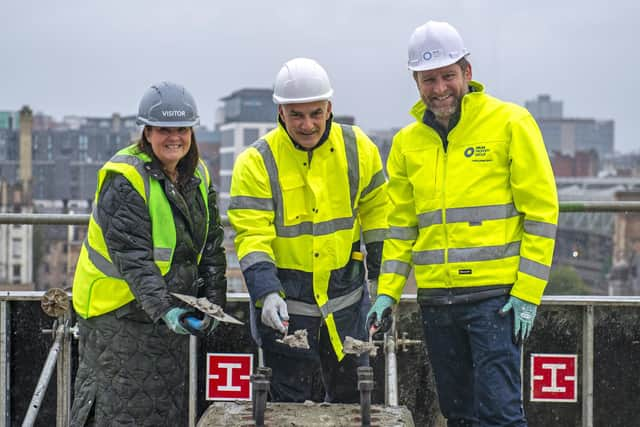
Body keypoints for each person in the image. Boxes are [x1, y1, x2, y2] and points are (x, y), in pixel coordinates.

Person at [367, 21, 559, 426]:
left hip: (495, 301)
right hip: (437, 300)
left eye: (448, 76)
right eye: (428, 79)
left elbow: (541, 213)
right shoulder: (406, 144)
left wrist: (528, 291)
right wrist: (387, 294)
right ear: (416, 81)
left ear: (467, 73)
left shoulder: (511, 123)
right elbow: (401, 228)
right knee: (458, 415)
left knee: (501, 414)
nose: (439, 89)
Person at [228, 57, 388, 403]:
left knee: (352, 406)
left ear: (329, 107)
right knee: (288, 409)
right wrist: (266, 292)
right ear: (281, 112)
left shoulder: (358, 148)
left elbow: (378, 217)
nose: (308, 124)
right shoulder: (256, 162)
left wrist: (381, 281)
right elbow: (252, 235)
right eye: (297, 114)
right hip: (287, 310)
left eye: (316, 113)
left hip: (345, 308)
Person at [70, 81, 227, 426]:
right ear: (147, 132)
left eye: (182, 129)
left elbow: (211, 244)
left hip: (160, 314)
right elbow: (134, 260)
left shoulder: (197, 174)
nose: (175, 137)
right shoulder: (125, 178)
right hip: (117, 314)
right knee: (119, 409)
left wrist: (214, 302)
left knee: (162, 409)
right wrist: (168, 311)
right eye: (164, 129)